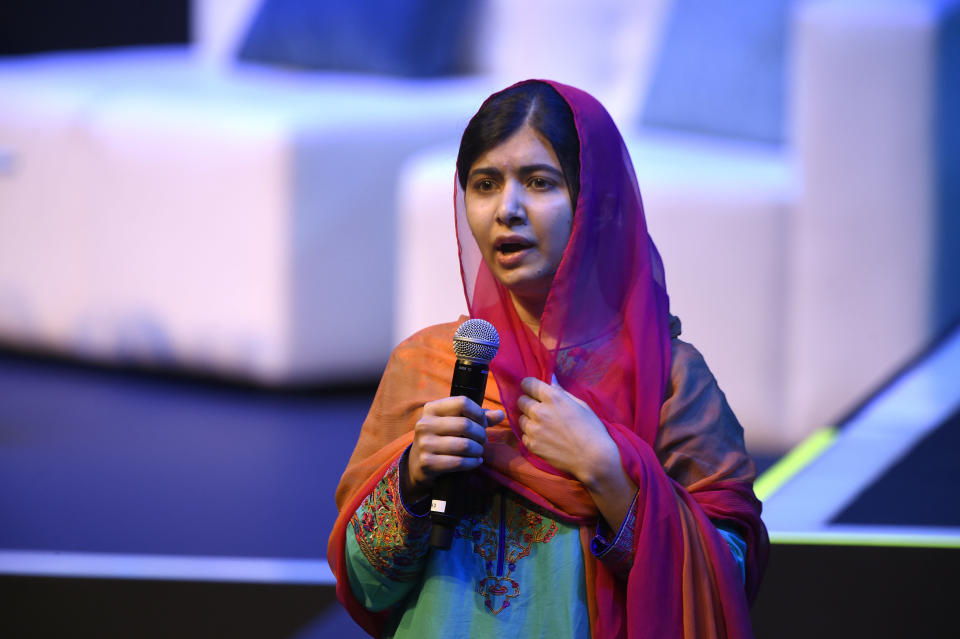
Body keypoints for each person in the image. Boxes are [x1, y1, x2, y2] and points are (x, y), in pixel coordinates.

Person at [328, 80, 768, 638]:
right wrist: (413, 481)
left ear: (596, 205)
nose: (507, 210)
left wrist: (608, 471)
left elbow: (726, 581)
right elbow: (369, 586)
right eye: (485, 184)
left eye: (538, 182)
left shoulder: (670, 381)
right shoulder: (430, 366)